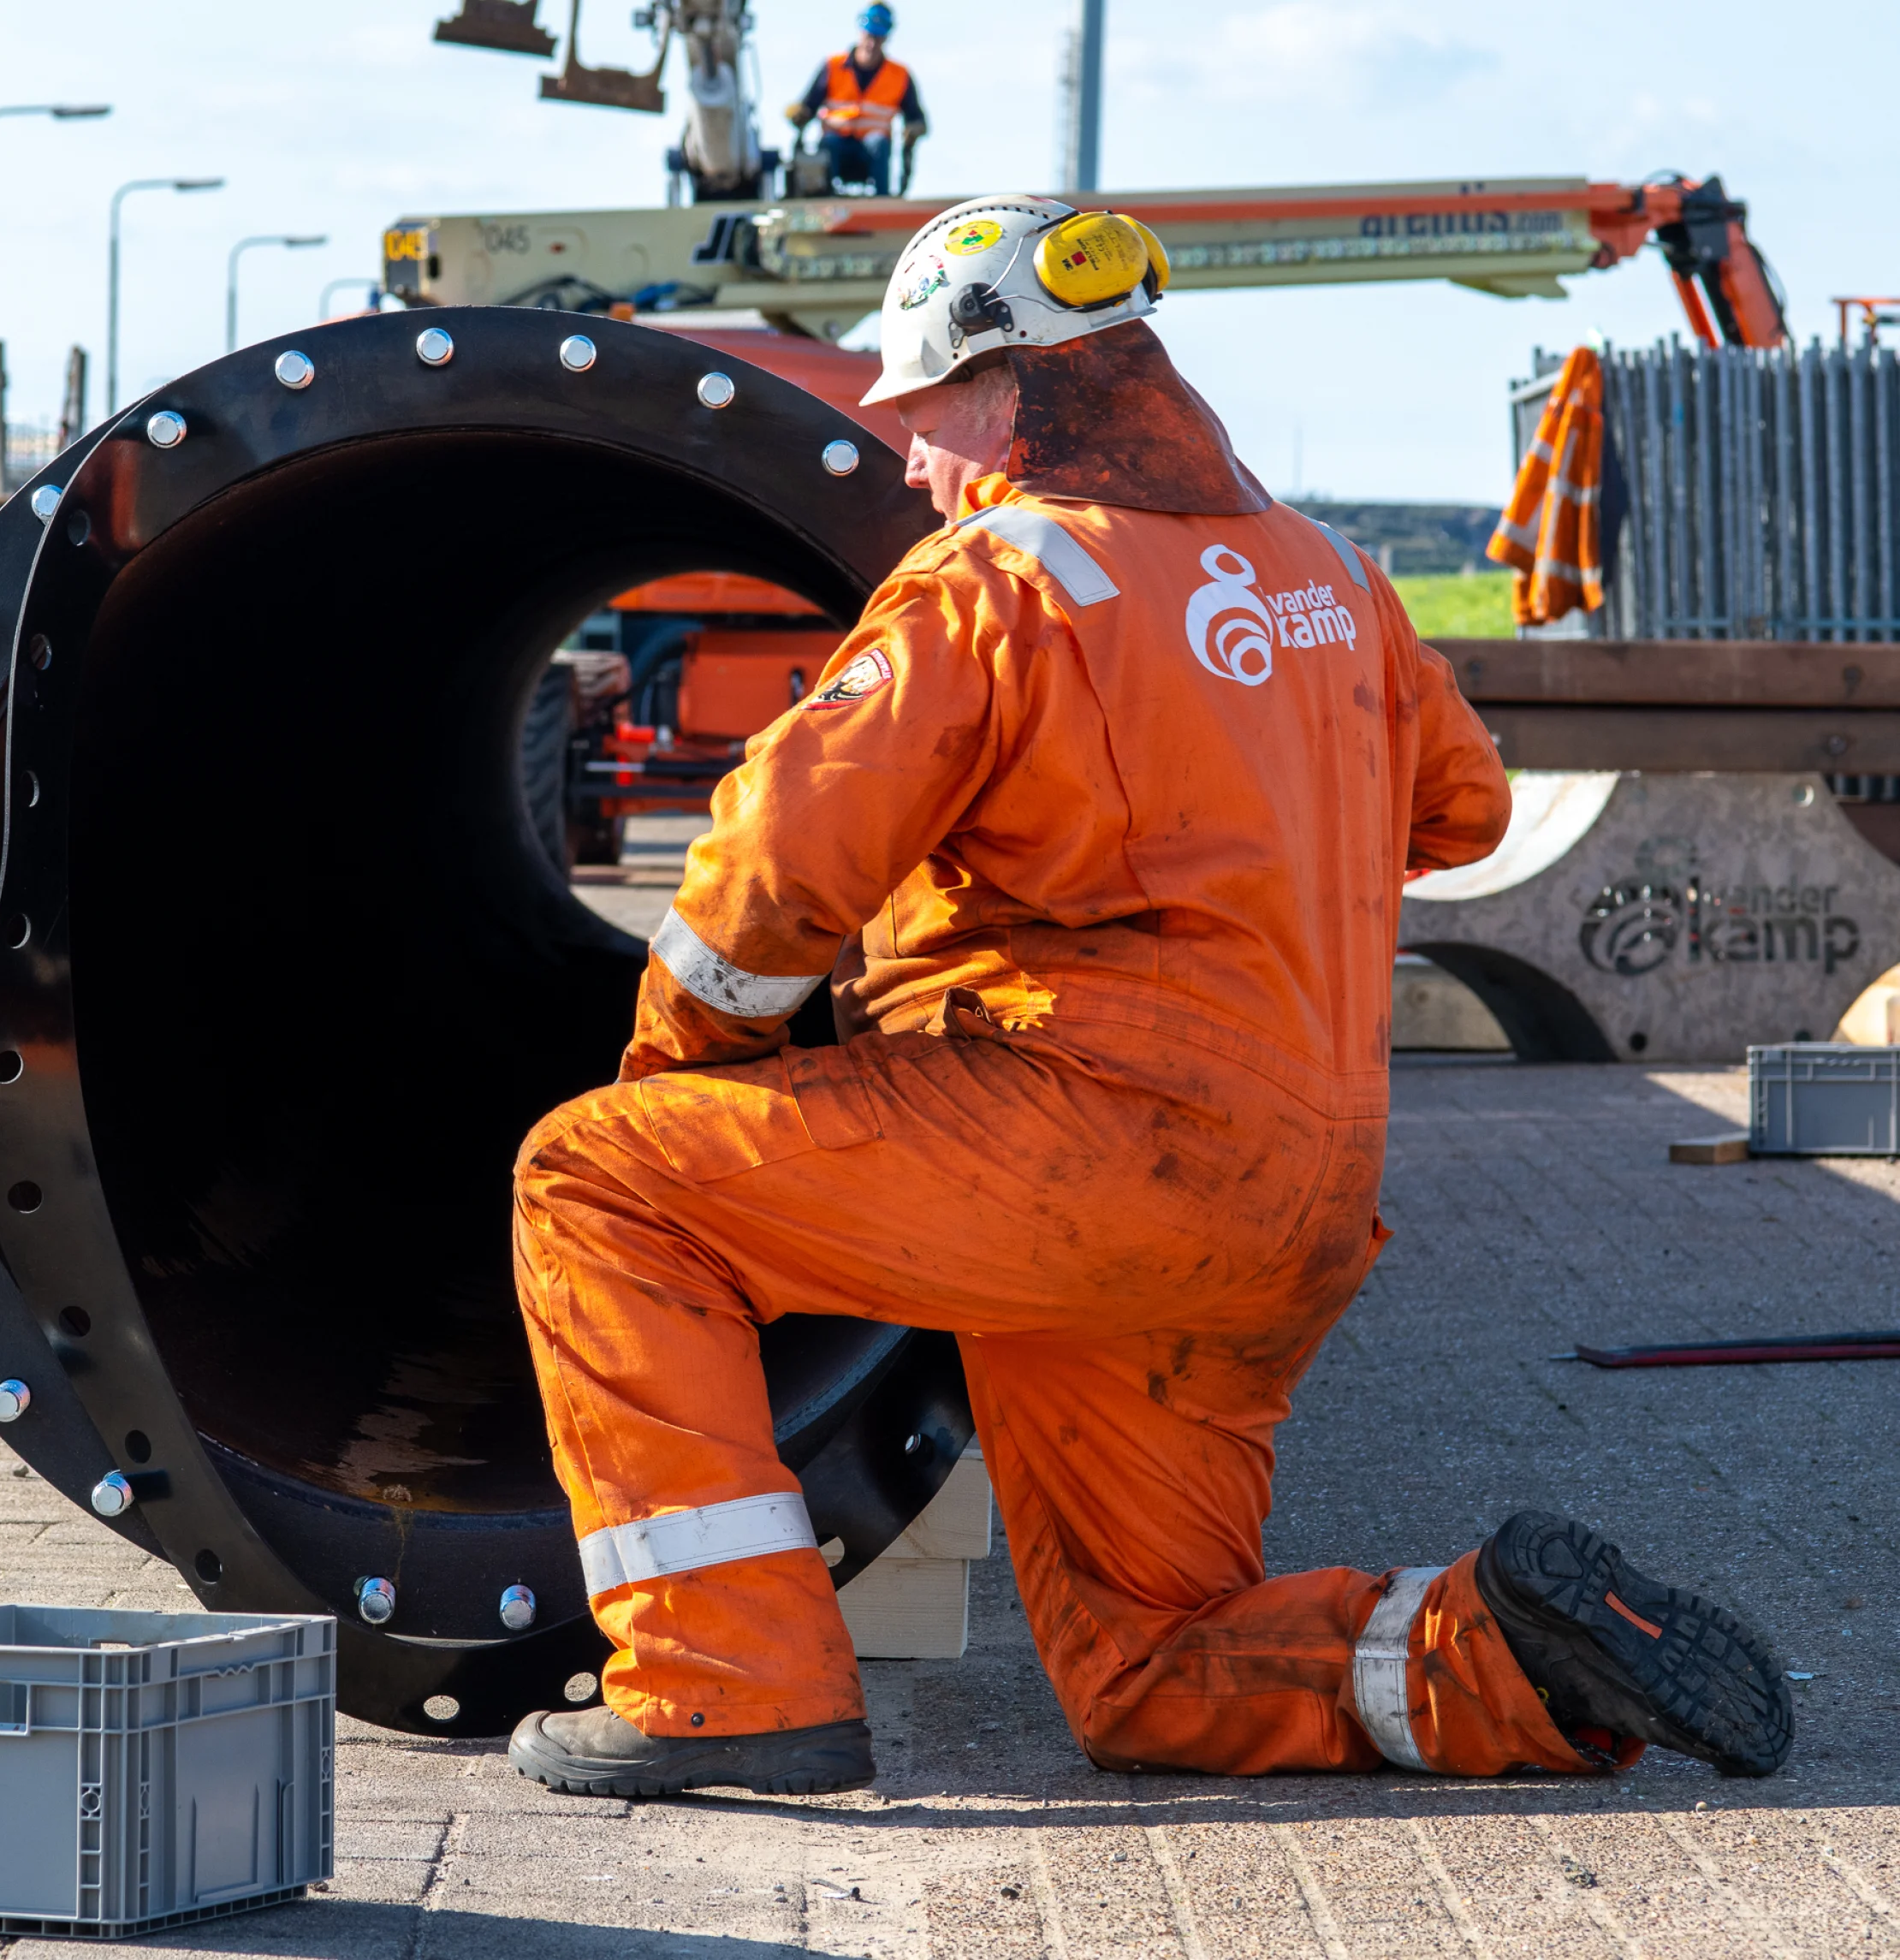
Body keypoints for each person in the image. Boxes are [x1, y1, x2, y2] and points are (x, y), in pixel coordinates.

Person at [506, 195, 1795, 1798]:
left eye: (923, 416)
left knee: (595, 1189)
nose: (907, 459)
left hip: (1079, 1149)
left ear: (1017, 393)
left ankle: (723, 1685)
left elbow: (769, 882)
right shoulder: (1325, 572)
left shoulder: (998, 580)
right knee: (1145, 1666)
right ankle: (1503, 1662)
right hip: (1288, 1210)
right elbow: (1457, 808)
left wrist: (678, 1075)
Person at [788, 3, 924, 199]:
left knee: (879, 143)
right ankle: (826, 198)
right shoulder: (833, 67)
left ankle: (882, 203)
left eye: (877, 38)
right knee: (829, 144)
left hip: (871, 149)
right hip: (837, 142)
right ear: (860, 32)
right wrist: (798, 114)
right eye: (869, 36)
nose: (871, 44)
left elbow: (917, 118)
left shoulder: (899, 75)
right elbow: (808, 105)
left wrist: (914, 130)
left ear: (886, 38)